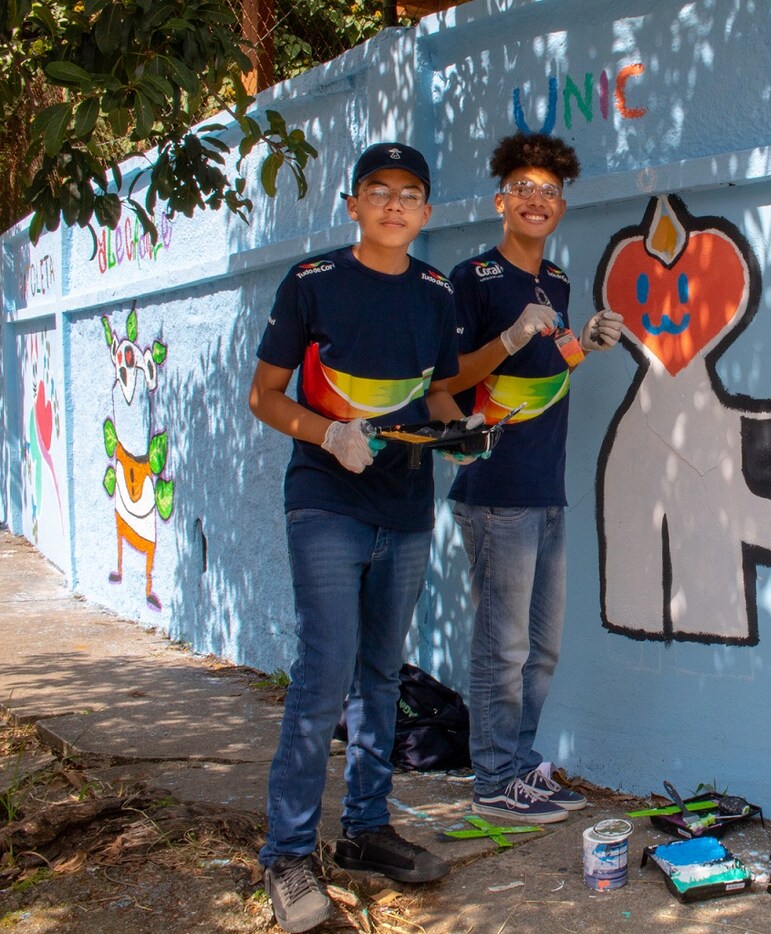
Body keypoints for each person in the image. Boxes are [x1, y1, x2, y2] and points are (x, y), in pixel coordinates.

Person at [249, 142, 470, 934]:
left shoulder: (436, 293)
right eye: (378, 190)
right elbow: (264, 395)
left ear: (426, 211)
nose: (394, 204)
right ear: (353, 204)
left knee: (380, 677)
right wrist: (327, 433)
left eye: (410, 193)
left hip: (405, 508)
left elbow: (437, 393)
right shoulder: (312, 283)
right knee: (324, 676)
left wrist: (463, 430)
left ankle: (366, 831)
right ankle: (287, 854)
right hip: (325, 504)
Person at [443, 132, 623, 824]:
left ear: (561, 207)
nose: (536, 200)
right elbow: (448, 379)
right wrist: (512, 336)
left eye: (549, 191)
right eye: (523, 188)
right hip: (495, 491)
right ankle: (492, 781)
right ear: (501, 201)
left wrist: (586, 343)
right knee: (503, 646)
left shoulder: (558, 282)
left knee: (541, 649)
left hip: (547, 487)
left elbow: (547, 370)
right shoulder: (472, 278)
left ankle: (518, 768)